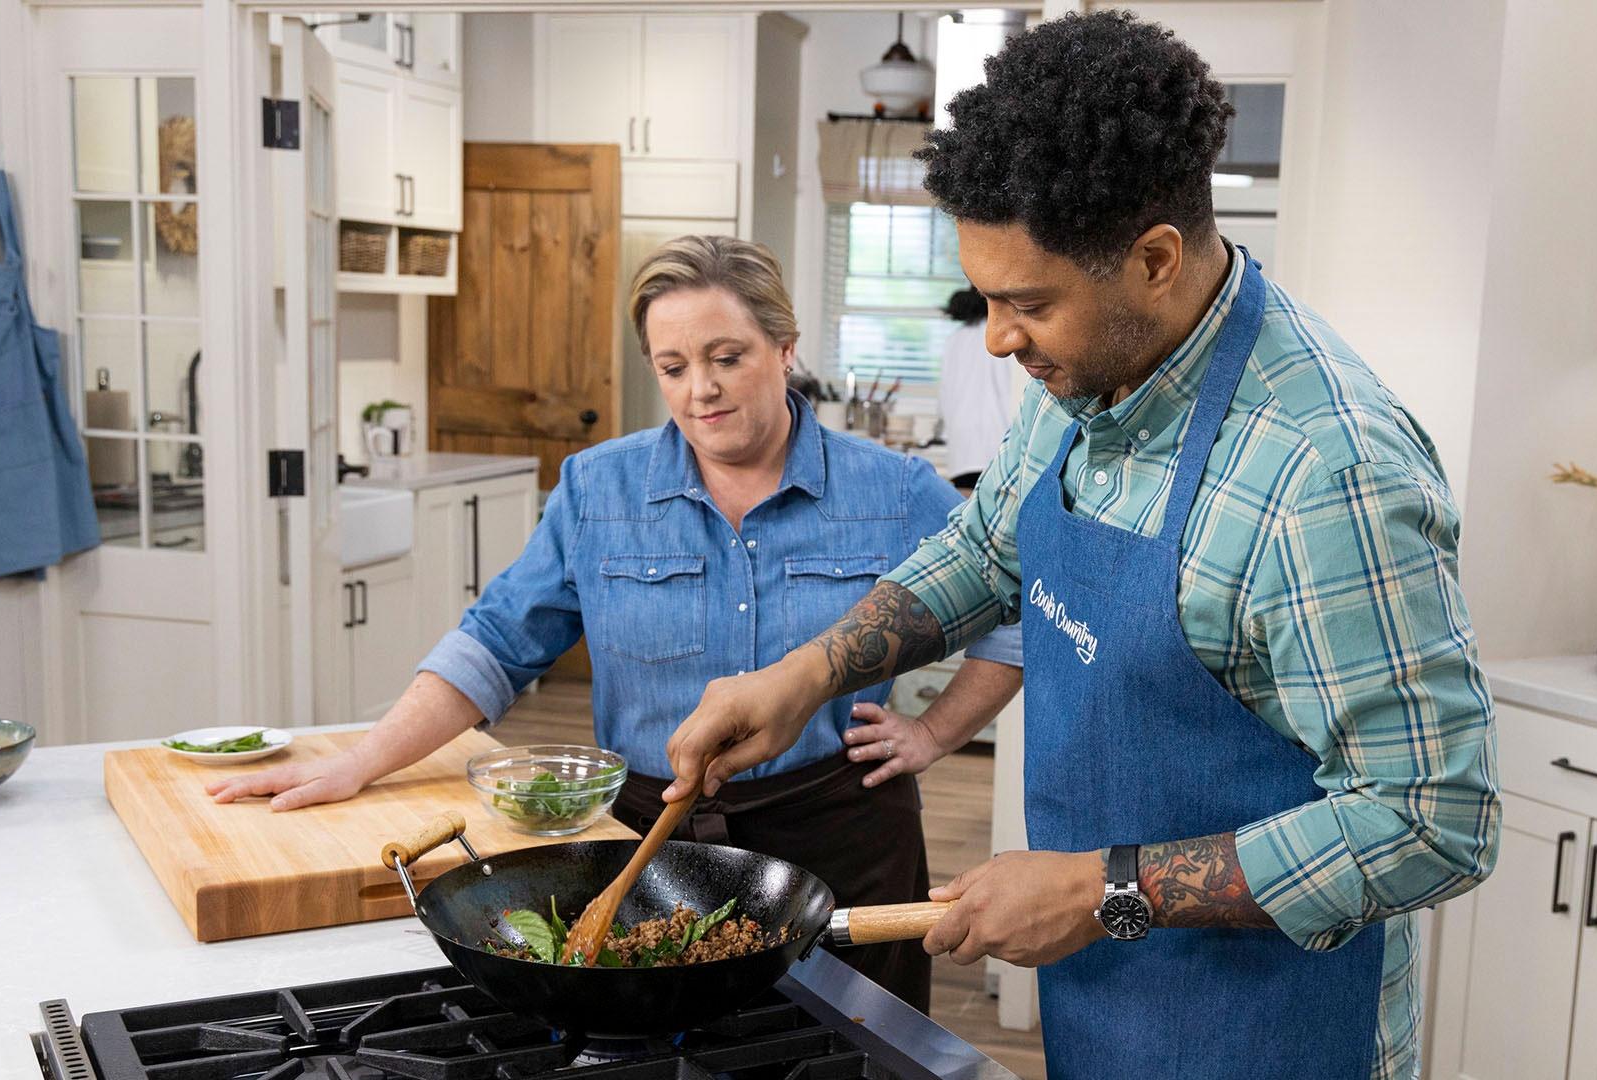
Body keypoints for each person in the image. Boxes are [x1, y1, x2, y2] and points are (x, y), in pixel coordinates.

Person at [657, 14, 1499, 1080]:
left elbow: (1433, 820)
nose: (998, 337)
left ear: (1154, 261)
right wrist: (805, 674)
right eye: (990, 297)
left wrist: (1104, 892)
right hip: (1107, 997)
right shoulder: (1089, 373)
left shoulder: (1325, 474)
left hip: (1272, 1029)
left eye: (1029, 303)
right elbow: (986, 550)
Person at [207, 235, 1022, 1011]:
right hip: (645, 850)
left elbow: (1014, 612)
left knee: (857, 1050)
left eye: (727, 358)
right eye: (673, 367)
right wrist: (360, 761)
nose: (700, 389)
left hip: (842, 836)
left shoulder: (893, 490)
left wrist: (935, 732)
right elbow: (496, 643)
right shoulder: (597, 491)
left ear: (785, 349)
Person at [936, 286, 1016, 491]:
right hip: (1000, 449)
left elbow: (944, 397)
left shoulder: (955, 339)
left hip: (962, 452)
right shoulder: (1008, 337)